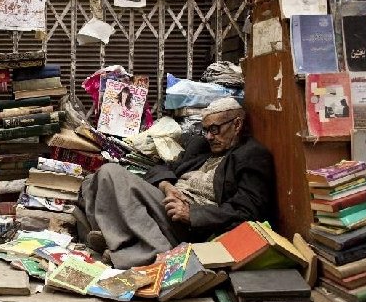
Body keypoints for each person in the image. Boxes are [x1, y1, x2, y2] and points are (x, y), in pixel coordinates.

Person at [78, 97, 277, 269]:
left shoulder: (252, 155)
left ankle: (151, 252)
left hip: (188, 222)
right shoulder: (202, 148)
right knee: (90, 181)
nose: (209, 136)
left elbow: (248, 212)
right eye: (206, 130)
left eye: (215, 129)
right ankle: (118, 240)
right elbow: (161, 168)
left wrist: (192, 214)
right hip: (167, 200)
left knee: (110, 172)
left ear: (237, 124)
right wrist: (167, 186)